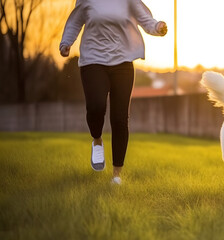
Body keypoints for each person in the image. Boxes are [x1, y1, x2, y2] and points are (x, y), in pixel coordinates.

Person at [59, 0, 167, 184]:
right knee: (96, 107)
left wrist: (157, 27)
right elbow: (75, 21)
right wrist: (66, 42)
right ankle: (97, 139)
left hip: (122, 62)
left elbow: (145, 19)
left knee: (119, 118)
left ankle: (116, 175)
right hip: (93, 60)